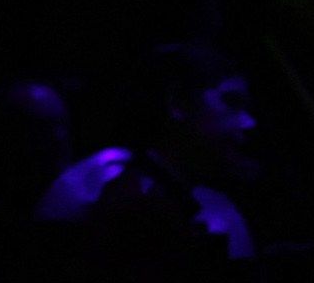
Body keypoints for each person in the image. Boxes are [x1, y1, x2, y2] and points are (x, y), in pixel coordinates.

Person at [35, 42, 261, 268]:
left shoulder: (175, 195)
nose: (251, 123)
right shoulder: (125, 191)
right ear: (179, 103)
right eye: (232, 102)